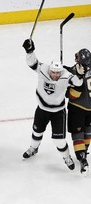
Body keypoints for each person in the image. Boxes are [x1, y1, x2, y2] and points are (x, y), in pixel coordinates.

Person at [21, 39, 84, 170]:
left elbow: (78, 83)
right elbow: (32, 62)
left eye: (57, 72)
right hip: (42, 109)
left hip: (58, 113)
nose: (55, 75)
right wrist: (29, 51)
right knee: (36, 133)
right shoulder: (43, 69)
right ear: (50, 70)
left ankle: (67, 157)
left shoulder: (66, 76)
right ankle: (34, 148)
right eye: (53, 72)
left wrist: (78, 73)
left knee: (59, 140)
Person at [64, 48, 91, 174]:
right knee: (88, 132)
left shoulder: (76, 70)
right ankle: (84, 153)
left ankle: (82, 158)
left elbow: (74, 94)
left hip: (78, 108)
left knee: (77, 135)